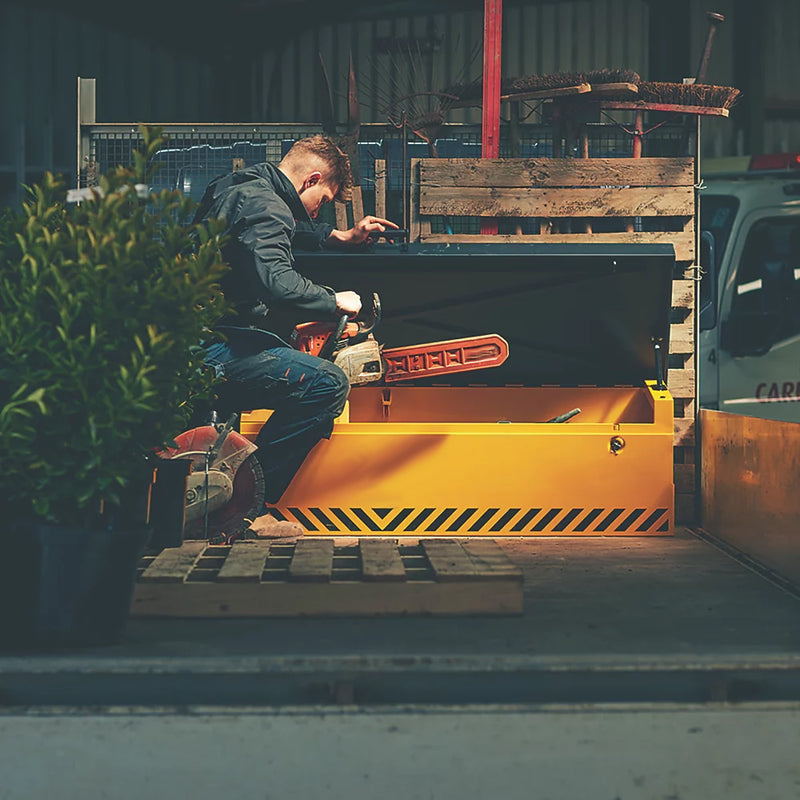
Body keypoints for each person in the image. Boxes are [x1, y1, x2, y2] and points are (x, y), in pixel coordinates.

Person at [194, 135, 397, 506]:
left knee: (280, 354)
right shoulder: (267, 206)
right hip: (214, 347)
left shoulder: (240, 188)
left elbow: (276, 230)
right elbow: (276, 281)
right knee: (327, 384)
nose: (317, 213)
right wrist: (333, 300)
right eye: (323, 201)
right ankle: (249, 503)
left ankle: (229, 498)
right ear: (311, 179)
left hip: (198, 337)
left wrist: (340, 236)